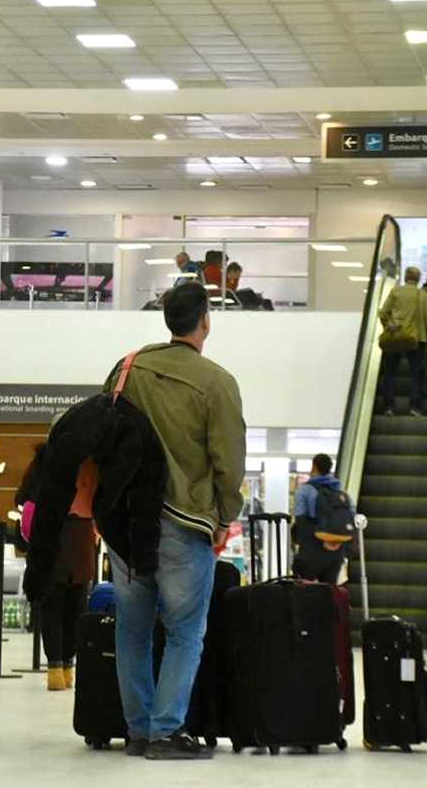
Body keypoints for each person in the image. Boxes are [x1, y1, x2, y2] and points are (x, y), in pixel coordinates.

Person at [102, 281, 246, 760]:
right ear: (205, 321)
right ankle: (166, 731)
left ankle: (138, 730)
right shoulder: (216, 382)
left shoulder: (127, 368)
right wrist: (226, 516)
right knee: (186, 630)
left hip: (125, 521)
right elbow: (228, 461)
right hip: (183, 521)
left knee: (132, 629)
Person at [18, 443, 96, 692]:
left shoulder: (41, 463)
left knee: (51, 609)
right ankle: (68, 669)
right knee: (77, 608)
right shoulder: (87, 463)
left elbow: (23, 497)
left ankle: (54, 669)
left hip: (49, 540)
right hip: (81, 539)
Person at [377, 266, 427, 417]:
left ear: (405, 277)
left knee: (390, 372)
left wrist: (389, 326)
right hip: (417, 339)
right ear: (418, 279)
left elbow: (383, 312)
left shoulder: (396, 291)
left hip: (395, 336)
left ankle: (389, 406)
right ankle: (414, 407)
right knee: (416, 374)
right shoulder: (423, 295)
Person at [291, 454, 354, 584]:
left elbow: (301, 521)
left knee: (302, 591)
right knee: (329, 593)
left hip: (311, 552)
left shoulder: (305, 491)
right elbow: (351, 519)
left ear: (314, 467)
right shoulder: (342, 493)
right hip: (336, 553)